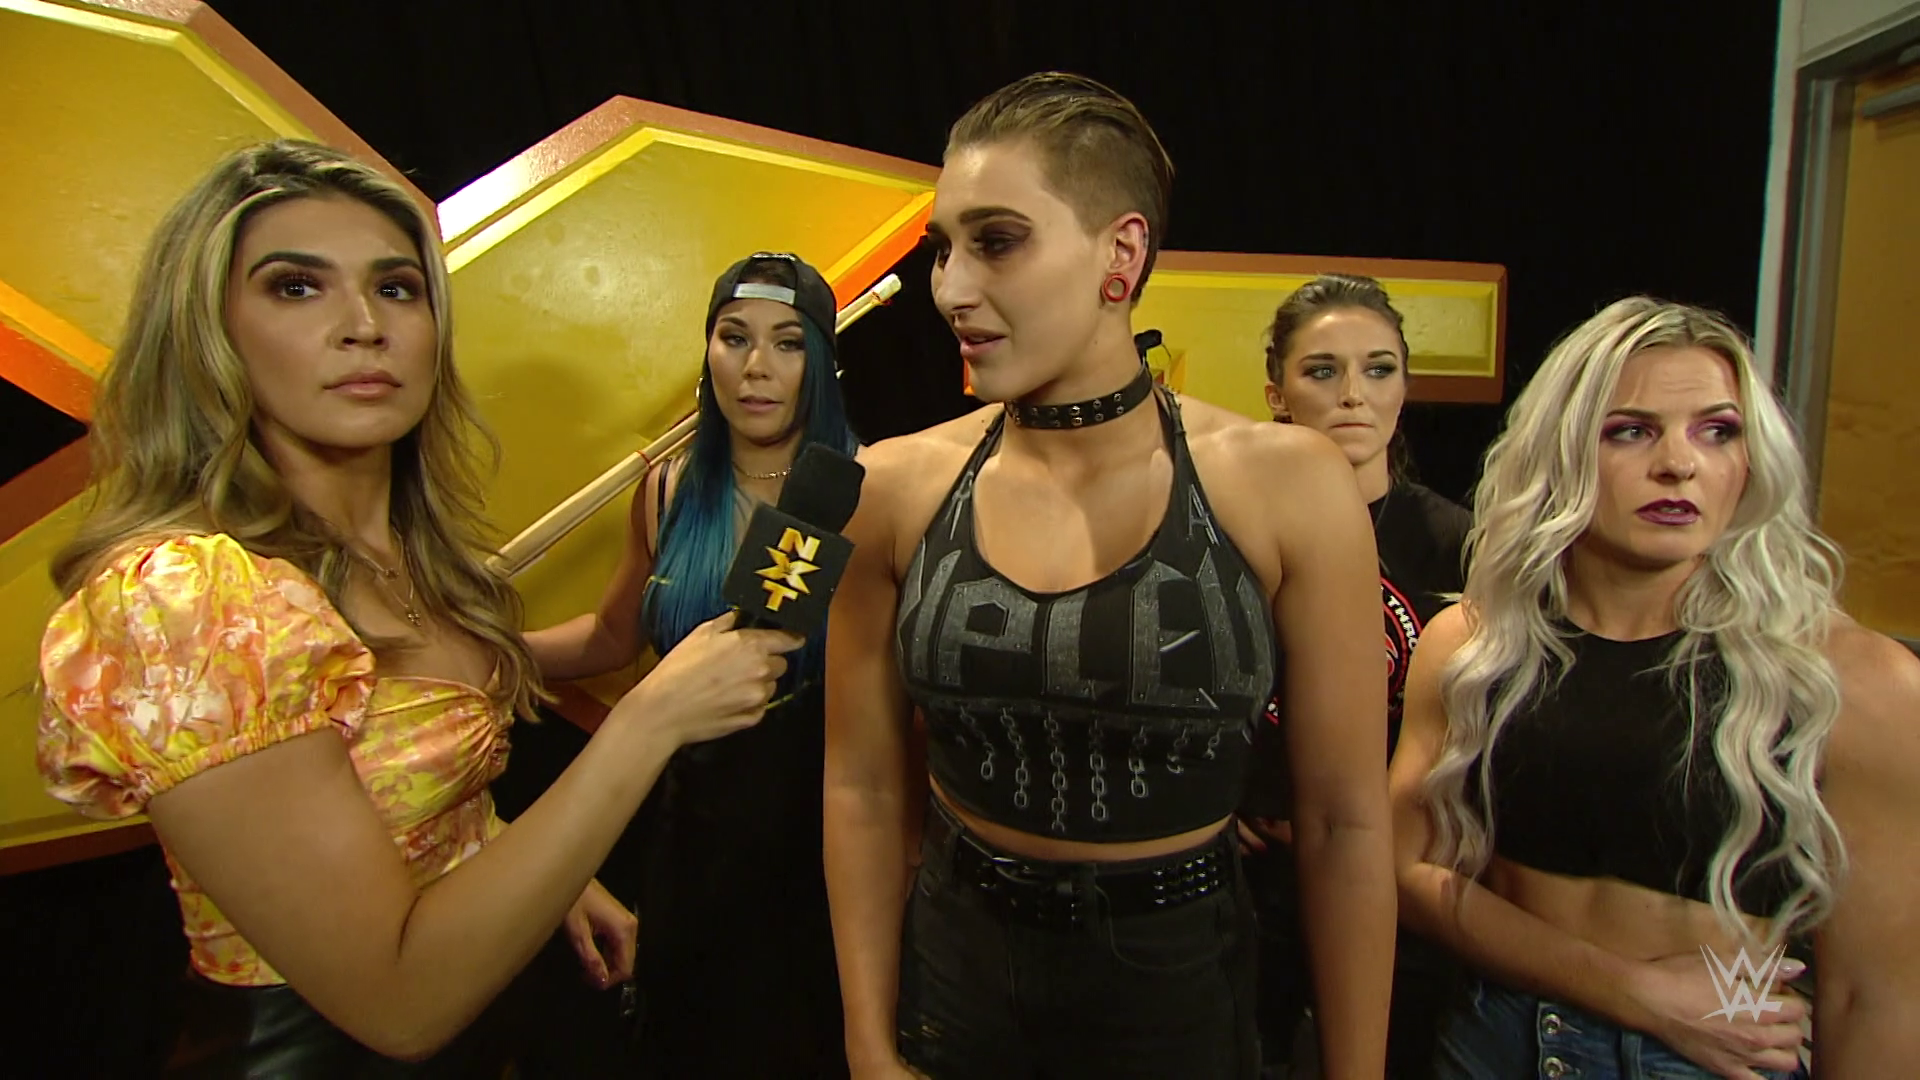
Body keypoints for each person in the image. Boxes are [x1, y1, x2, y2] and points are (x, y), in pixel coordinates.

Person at [34, 140, 800, 1076]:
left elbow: (398, 801)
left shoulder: (413, 558)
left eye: (396, 288)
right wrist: (652, 719)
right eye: (296, 288)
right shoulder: (192, 602)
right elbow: (398, 1007)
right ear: (209, 334)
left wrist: (526, 868)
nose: (364, 326)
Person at [822, 73, 1396, 1080]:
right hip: (959, 974)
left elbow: (1346, 823)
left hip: (1179, 988)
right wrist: (867, 1045)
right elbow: (864, 786)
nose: (951, 288)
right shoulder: (891, 487)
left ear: (1120, 255)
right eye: (943, 249)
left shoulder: (1289, 485)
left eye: (998, 242)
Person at [1389, 297, 1920, 1077]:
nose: (1679, 463)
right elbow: (1407, 872)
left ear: (1753, 460)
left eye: (1718, 431)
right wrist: (1632, 991)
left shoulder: (1855, 682)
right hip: (1494, 1039)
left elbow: (1874, 999)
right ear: (1563, 451)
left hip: (1711, 1058)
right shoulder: (1475, 645)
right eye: (1631, 431)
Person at [525, 251, 859, 1078]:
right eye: (733, 337)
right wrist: (490, 650)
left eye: (787, 343)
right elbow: (611, 639)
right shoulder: (666, 492)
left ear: (822, 361)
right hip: (688, 837)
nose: (756, 366)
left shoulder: (871, 488)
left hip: (823, 845)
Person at [1241, 274, 1470, 1076]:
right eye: (1322, 371)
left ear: (1406, 387)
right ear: (1277, 394)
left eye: (1379, 369)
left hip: (1398, 893)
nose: (1353, 395)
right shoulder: (1224, 530)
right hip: (1247, 889)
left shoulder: (1461, 546)